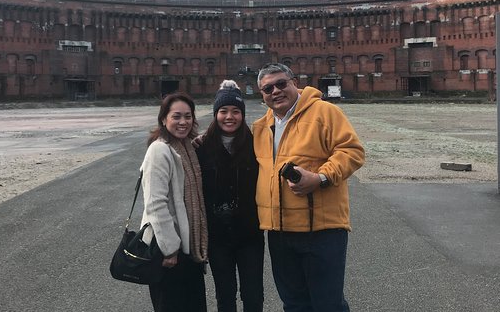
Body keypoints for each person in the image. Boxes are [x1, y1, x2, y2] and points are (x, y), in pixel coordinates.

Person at [252, 63, 365, 312]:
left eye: (281, 84)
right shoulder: (262, 126)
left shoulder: (324, 112)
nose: (276, 91)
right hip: (280, 231)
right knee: (294, 304)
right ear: (262, 93)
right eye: (268, 88)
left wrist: (320, 178)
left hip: (321, 230)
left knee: (327, 304)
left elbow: (352, 151)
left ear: (294, 82)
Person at [196, 80, 264, 312]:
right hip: (218, 237)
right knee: (225, 295)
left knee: (254, 295)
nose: (229, 116)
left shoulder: (256, 144)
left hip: (250, 234)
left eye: (236, 111)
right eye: (223, 111)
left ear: (242, 114)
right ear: (215, 114)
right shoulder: (201, 147)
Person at [140, 92, 208, 312]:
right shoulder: (159, 150)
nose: (183, 122)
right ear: (163, 119)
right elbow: (155, 203)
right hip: (169, 251)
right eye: (176, 116)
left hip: (188, 250)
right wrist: (170, 249)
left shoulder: (187, 147)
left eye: (188, 116)